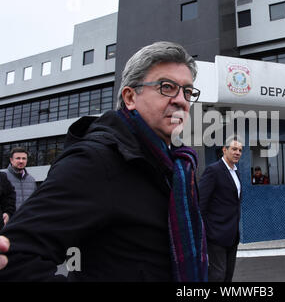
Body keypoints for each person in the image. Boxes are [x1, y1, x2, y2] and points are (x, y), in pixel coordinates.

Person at [0, 41, 208, 282]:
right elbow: (16, 259)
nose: (181, 100)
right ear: (130, 97)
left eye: (188, 91)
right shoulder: (97, 161)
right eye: (167, 87)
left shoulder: (178, 167)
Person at [199, 136, 243, 282]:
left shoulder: (236, 172)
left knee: (228, 275)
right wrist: (206, 230)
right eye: (234, 149)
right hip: (216, 234)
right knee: (217, 275)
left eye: (240, 150)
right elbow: (201, 203)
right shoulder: (213, 170)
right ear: (224, 150)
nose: (237, 152)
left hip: (232, 234)